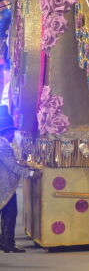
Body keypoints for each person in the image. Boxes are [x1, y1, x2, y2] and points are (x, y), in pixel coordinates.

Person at [0, 107, 40, 253]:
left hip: (5, 186)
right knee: (10, 215)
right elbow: (12, 167)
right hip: (4, 187)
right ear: (5, 132)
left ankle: (5, 242)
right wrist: (30, 173)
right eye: (12, 131)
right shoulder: (3, 146)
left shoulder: (4, 144)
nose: (13, 134)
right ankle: (8, 243)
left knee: (7, 215)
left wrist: (23, 164)